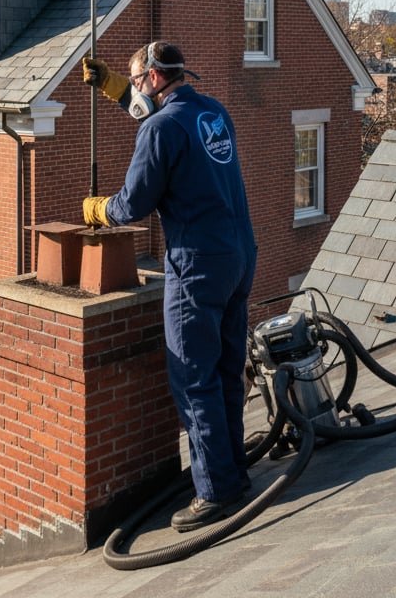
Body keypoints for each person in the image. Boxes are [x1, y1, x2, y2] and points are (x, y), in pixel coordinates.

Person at [82, 42, 257, 531]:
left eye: (138, 82)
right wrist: (114, 86)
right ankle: (233, 472)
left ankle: (217, 491)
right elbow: (161, 123)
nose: (135, 90)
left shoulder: (160, 128)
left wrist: (100, 210)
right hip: (238, 255)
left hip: (197, 265)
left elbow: (135, 202)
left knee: (193, 378)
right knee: (225, 370)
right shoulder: (212, 111)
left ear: (156, 78)